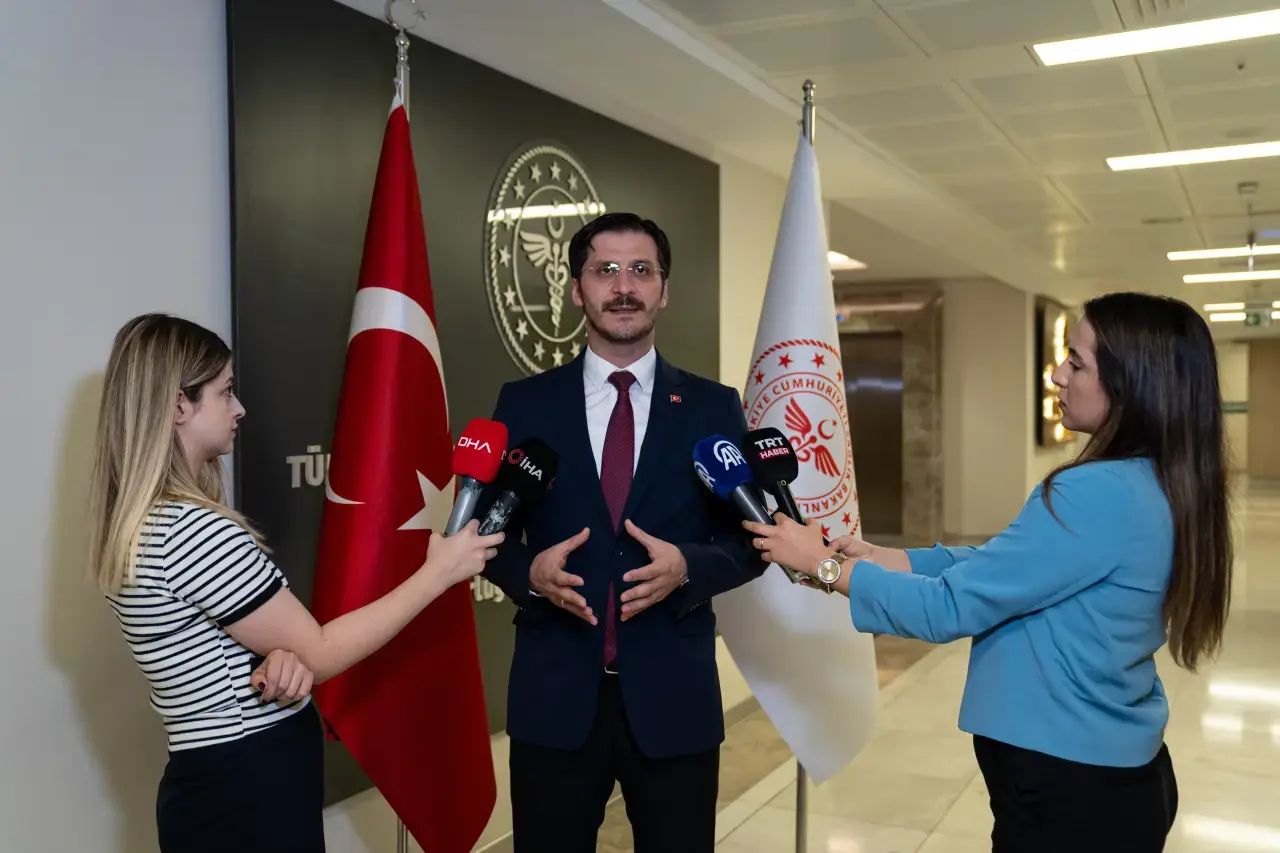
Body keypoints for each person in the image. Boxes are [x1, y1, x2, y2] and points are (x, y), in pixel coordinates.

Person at [744, 291, 1232, 853]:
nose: (1057, 375)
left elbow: (948, 608)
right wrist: (883, 557)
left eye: (1076, 362)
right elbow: (1010, 568)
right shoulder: (1158, 480)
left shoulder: (1094, 490)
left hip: (1070, 792)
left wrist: (822, 565)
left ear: (1131, 383)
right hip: (1111, 775)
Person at [86, 314, 503, 853]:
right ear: (177, 406)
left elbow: (244, 645)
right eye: (225, 392)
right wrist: (439, 572)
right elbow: (319, 651)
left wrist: (282, 657)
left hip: (218, 782)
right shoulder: (189, 529)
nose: (239, 408)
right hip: (248, 788)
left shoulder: (145, 523)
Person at [480, 212, 768, 853]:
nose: (624, 287)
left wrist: (688, 566)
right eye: (605, 270)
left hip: (674, 699)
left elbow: (754, 541)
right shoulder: (524, 403)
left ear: (664, 290)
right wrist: (529, 574)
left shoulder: (712, 406)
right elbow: (483, 534)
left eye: (641, 270)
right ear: (576, 290)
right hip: (554, 700)